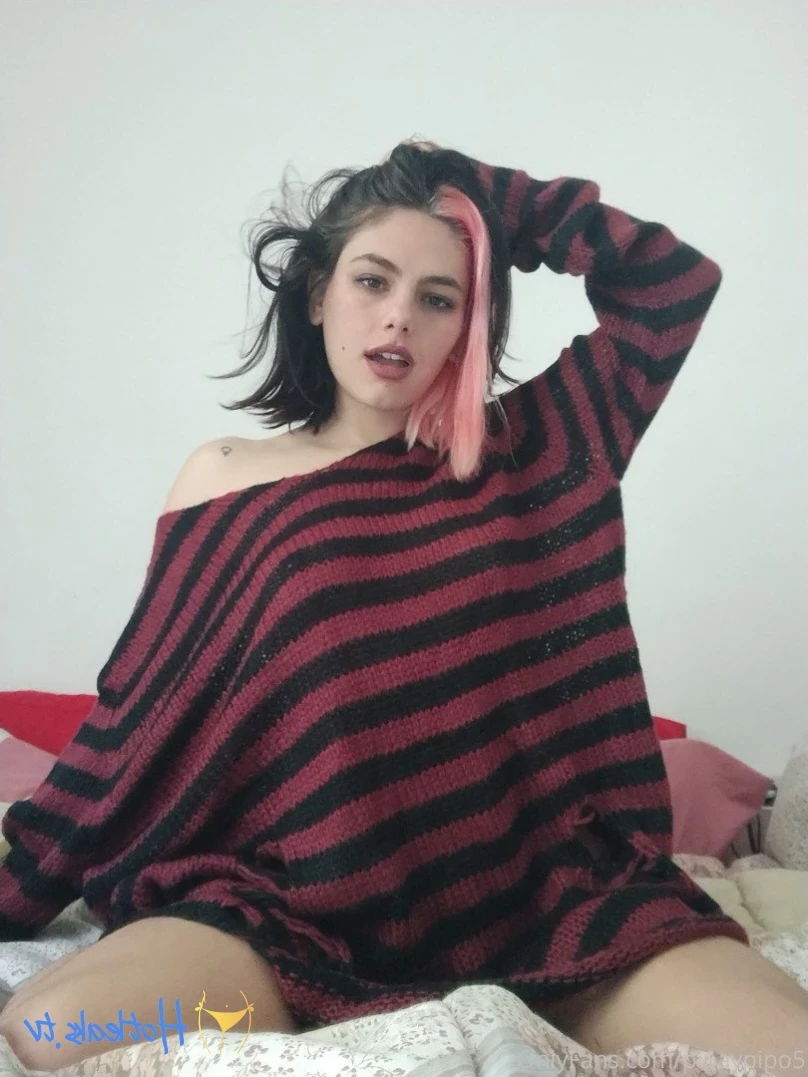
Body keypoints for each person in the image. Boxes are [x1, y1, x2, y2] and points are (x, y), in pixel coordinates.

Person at [1, 138, 806, 1073]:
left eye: (439, 297)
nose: (398, 317)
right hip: (285, 914)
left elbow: (672, 284)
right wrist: (21, 886)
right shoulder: (223, 479)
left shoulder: (541, 447)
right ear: (317, 293)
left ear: (470, 323)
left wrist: (490, 197)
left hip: (554, 909)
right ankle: (319, 1018)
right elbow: (135, 721)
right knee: (48, 1030)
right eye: (372, 280)